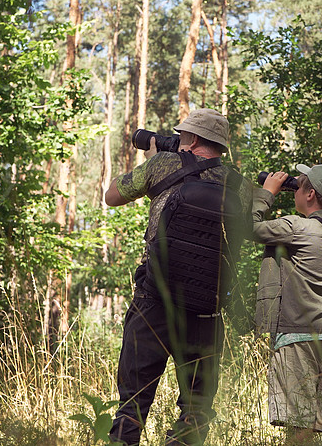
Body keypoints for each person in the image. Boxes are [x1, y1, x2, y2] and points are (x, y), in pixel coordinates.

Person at [105, 108, 250, 445]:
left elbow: (112, 196)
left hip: (154, 302)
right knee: (197, 409)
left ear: (193, 138)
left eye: (182, 134)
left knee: (132, 403)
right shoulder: (240, 187)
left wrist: (156, 158)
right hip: (206, 312)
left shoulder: (163, 165)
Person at [252, 164, 322, 445]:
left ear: (310, 195)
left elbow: (248, 227)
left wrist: (267, 193)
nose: (293, 190)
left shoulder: (295, 227)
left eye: (298, 186)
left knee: (298, 430)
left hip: (298, 336)